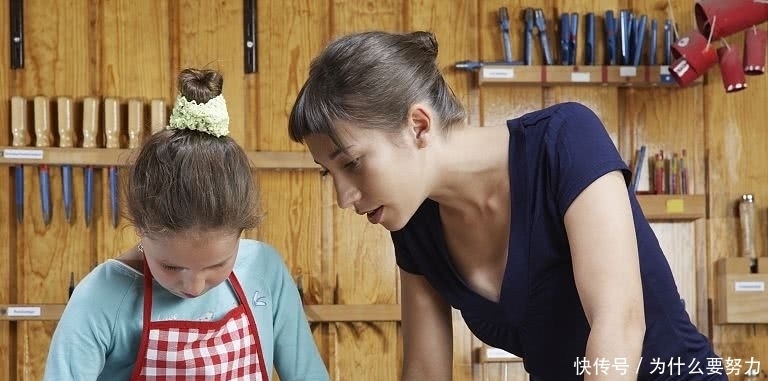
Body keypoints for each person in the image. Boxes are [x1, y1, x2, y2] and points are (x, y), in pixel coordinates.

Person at [287, 31, 725, 380]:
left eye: (353, 164)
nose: (344, 198)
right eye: (330, 173)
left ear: (418, 125)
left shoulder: (564, 140)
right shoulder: (413, 227)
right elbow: (425, 370)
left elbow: (619, 325)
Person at [44, 68, 329, 381]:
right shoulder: (102, 296)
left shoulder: (264, 270)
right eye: (171, 267)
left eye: (216, 266)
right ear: (140, 227)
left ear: (241, 232)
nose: (193, 287)